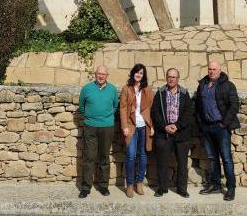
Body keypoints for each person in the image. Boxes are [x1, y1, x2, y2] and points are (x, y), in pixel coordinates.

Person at [195, 61, 239, 201]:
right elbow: (197, 106)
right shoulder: (202, 85)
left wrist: (223, 124)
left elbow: (234, 105)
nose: (212, 71)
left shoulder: (228, 85)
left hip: (221, 128)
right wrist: (201, 124)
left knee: (226, 159)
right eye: (210, 69)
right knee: (212, 159)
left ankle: (231, 188)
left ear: (220, 71)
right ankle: (215, 185)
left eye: (214, 69)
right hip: (207, 127)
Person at [151, 67, 193, 198]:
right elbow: (155, 112)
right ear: (166, 78)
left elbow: (188, 113)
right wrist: (164, 127)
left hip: (181, 133)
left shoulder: (185, 93)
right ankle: (162, 188)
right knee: (162, 161)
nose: (171, 79)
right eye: (169, 76)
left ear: (178, 79)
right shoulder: (160, 92)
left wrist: (177, 126)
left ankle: (182, 189)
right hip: (164, 133)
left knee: (182, 162)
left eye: (174, 77)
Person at [78, 65, 119, 198]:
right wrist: (89, 117)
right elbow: (81, 106)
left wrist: (105, 118)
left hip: (107, 127)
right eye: (98, 74)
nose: (101, 76)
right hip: (90, 126)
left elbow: (115, 106)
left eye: (103, 74)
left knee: (104, 157)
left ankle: (103, 186)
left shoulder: (112, 89)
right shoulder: (87, 88)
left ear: (107, 75)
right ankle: (85, 187)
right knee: (89, 157)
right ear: (95, 75)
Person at [119, 63, 154, 198]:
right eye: (137, 72)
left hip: (144, 126)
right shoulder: (126, 89)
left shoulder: (147, 90)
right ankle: (129, 184)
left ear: (143, 75)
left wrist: (152, 126)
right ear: (133, 73)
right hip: (131, 126)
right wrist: (124, 126)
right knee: (131, 155)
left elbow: (151, 109)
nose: (139, 75)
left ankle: (139, 183)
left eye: (141, 73)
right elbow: (122, 108)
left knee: (143, 155)